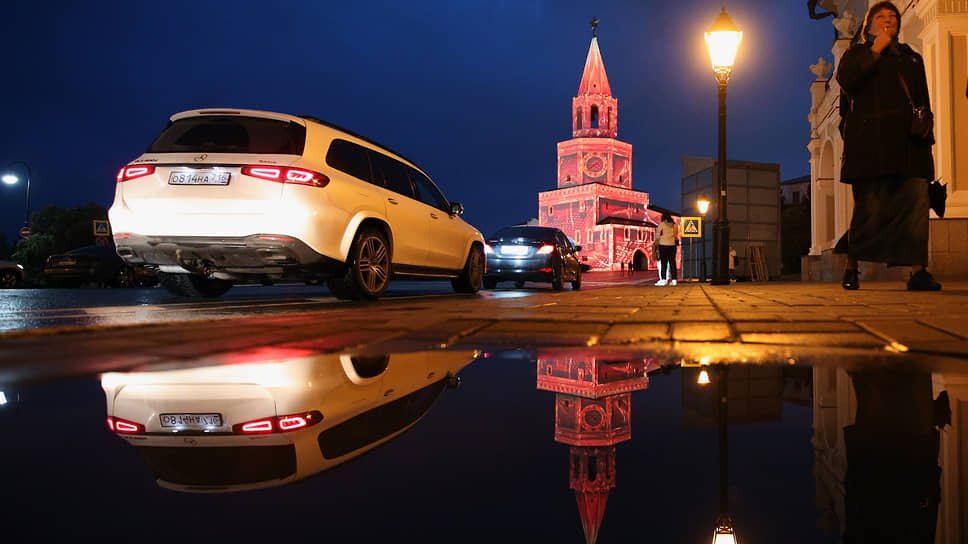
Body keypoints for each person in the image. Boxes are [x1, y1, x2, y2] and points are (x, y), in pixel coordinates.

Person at [835, 1, 940, 291]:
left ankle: (918, 271)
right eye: (880, 16)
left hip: (910, 147)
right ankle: (852, 267)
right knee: (870, 208)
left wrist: (926, 137)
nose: (888, 20)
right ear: (868, 25)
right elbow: (847, 81)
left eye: (892, 17)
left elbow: (923, 102)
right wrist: (876, 50)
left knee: (916, 206)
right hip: (872, 147)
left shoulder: (911, 58)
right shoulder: (856, 54)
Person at [654, 213, 678, 286]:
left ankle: (664, 280)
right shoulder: (675, 225)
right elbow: (675, 235)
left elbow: (657, 235)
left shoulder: (662, 224)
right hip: (672, 245)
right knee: (672, 263)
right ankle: (674, 280)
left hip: (663, 245)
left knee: (663, 263)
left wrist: (660, 237)